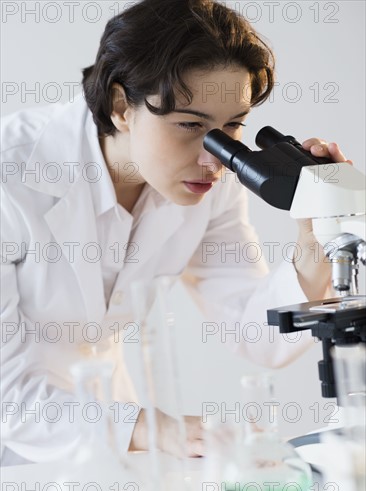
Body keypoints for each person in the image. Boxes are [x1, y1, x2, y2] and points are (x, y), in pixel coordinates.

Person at [0, 0, 353, 466]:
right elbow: (11, 400)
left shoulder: (206, 180)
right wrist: (163, 430)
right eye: (190, 125)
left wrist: (316, 236)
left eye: (232, 127)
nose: (214, 157)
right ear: (120, 105)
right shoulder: (13, 176)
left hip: (112, 445)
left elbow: (257, 333)